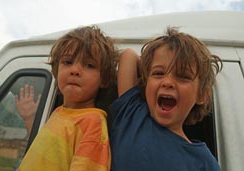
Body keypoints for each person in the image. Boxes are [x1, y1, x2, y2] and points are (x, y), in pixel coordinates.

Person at [110, 27, 222, 170]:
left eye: (183, 76)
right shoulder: (133, 114)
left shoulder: (204, 162)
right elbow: (128, 56)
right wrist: (146, 70)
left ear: (202, 95)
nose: (167, 82)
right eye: (158, 73)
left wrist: (153, 75)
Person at [18, 25, 117, 171]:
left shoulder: (92, 123)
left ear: (104, 79)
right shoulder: (59, 112)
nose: (75, 70)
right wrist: (30, 119)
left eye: (89, 65)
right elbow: (47, 149)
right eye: (68, 62)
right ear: (56, 70)